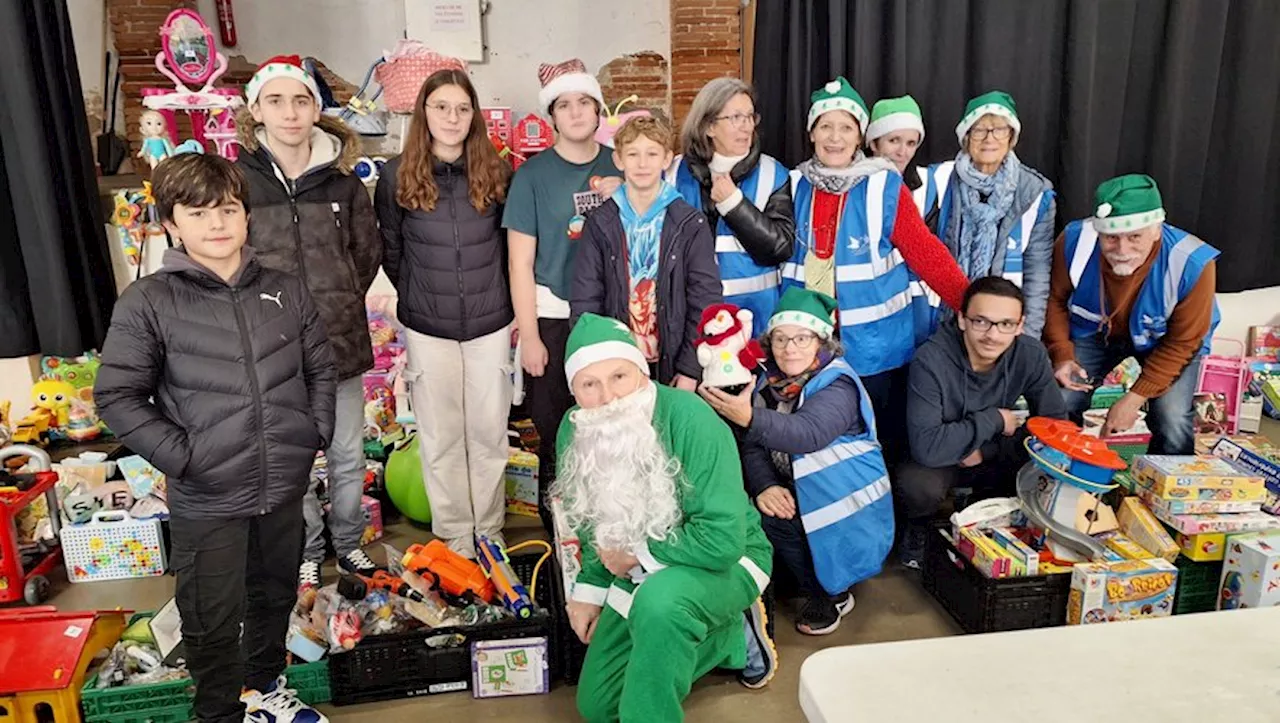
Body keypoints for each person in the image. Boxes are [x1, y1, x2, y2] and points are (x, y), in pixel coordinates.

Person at [95, 154, 336, 723]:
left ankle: (263, 690)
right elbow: (117, 397)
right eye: (198, 212)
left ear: (246, 216)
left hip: (282, 486)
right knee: (211, 615)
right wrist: (186, 458)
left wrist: (313, 433)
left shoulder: (284, 289)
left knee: (275, 596)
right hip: (207, 497)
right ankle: (219, 711)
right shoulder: (149, 301)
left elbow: (321, 370)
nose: (217, 223)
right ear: (173, 224)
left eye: (228, 209)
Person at [555, 314, 777, 722]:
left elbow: (724, 541)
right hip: (638, 569)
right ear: (574, 391)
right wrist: (589, 587)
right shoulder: (577, 432)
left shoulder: (690, 417)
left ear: (641, 371)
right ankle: (728, 637)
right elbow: (590, 523)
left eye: (619, 376)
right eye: (590, 384)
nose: (609, 397)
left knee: (661, 605)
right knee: (598, 705)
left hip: (729, 560)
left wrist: (637, 555)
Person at [235, 54, 381, 586]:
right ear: (256, 110)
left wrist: (336, 298)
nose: (290, 113)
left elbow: (366, 255)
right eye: (276, 101)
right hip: (272, 351)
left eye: (301, 101)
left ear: (316, 109)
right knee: (292, 463)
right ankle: (306, 549)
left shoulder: (342, 184)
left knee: (346, 457)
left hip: (340, 345)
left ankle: (348, 543)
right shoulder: (240, 181)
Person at [780, 77, 969, 465]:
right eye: (826, 126)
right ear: (811, 133)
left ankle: (886, 520)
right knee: (819, 446)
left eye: (846, 127)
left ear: (860, 137)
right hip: (807, 346)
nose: (835, 137)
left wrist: (970, 303)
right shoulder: (794, 184)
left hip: (876, 348)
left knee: (879, 443)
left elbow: (925, 252)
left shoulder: (883, 184)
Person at [375, 69, 513, 557]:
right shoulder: (396, 176)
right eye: (441, 107)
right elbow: (391, 251)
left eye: (462, 108)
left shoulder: (497, 173)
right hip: (428, 327)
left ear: (474, 115)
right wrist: (420, 297)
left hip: (489, 323)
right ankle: (455, 537)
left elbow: (506, 247)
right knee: (441, 437)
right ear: (424, 114)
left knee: (489, 434)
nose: (452, 118)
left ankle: (489, 531)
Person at [700, 288, 893, 635]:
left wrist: (747, 418)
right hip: (797, 486)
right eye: (781, 338)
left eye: (802, 338)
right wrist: (765, 485)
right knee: (764, 512)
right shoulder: (767, 380)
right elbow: (754, 446)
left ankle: (832, 593)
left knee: (787, 522)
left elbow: (808, 433)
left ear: (822, 341)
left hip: (841, 501)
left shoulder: (839, 384)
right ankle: (805, 575)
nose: (790, 348)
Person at [504, 58, 623, 531]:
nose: (575, 113)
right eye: (564, 105)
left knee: (614, 428)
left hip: (612, 319)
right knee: (558, 430)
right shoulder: (532, 177)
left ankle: (613, 528)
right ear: (551, 116)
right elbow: (519, 262)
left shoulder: (621, 162)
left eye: (585, 103)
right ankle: (564, 533)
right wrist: (529, 335)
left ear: (599, 111)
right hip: (553, 315)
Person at [1044, 174, 1219, 455]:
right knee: (1060, 399)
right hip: (1095, 333)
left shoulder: (1193, 263)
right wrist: (1062, 354)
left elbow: (1184, 342)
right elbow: (1053, 300)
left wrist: (1133, 399)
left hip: (1168, 342)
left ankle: (1166, 489)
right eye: (1111, 238)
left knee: (1172, 417)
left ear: (1156, 230)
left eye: (1135, 237)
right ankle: (1055, 474)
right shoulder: (1074, 241)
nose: (1122, 250)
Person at [900, 276, 1066, 568]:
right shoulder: (931, 359)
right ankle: (919, 528)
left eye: (1005, 324)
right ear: (962, 319)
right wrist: (993, 419)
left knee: (1050, 463)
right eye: (981, 322)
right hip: (942, 458)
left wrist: (987, 449)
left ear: (1020, 325)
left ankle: (1001, 521)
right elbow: (927, 446)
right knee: (917, 484)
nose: (992, 335)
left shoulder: (1029, 354)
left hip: (993, 451)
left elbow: (1055, 425)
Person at [571, 115, 721, 388]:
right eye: (633, 154)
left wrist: (690, 368)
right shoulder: (600, 222)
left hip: (673, 360)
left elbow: (705, 298)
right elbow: (586, 297)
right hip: (616, 361)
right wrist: (594, 360)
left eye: (652, 154)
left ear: (667, 159)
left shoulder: (689, 222)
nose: (642, 164)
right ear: (618, 160)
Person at [920, 91, 1056, 338]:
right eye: (979, 130)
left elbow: (1037, 271)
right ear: (966, 137)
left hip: (1002, 322)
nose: (989, 138)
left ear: (1011, 137)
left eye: (999, 129)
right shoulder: (938, 181)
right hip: (942, 317)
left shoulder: (1036, 192)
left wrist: (1028, 336)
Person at [671, 78, 795, 336]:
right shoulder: (672, 174)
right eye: (736, 117)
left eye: (750, 117)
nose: (747, 127)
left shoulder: (773, 174)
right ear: (708, 126)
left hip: (754, 320)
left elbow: (780, 248)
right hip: (690, 317)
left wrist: (734, 204)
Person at [865, 94, 928, 213]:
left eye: (911, 143)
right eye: (894, 140)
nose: (902, 152)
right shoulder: (852, 186)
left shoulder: (925, 190)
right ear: (873, 143)